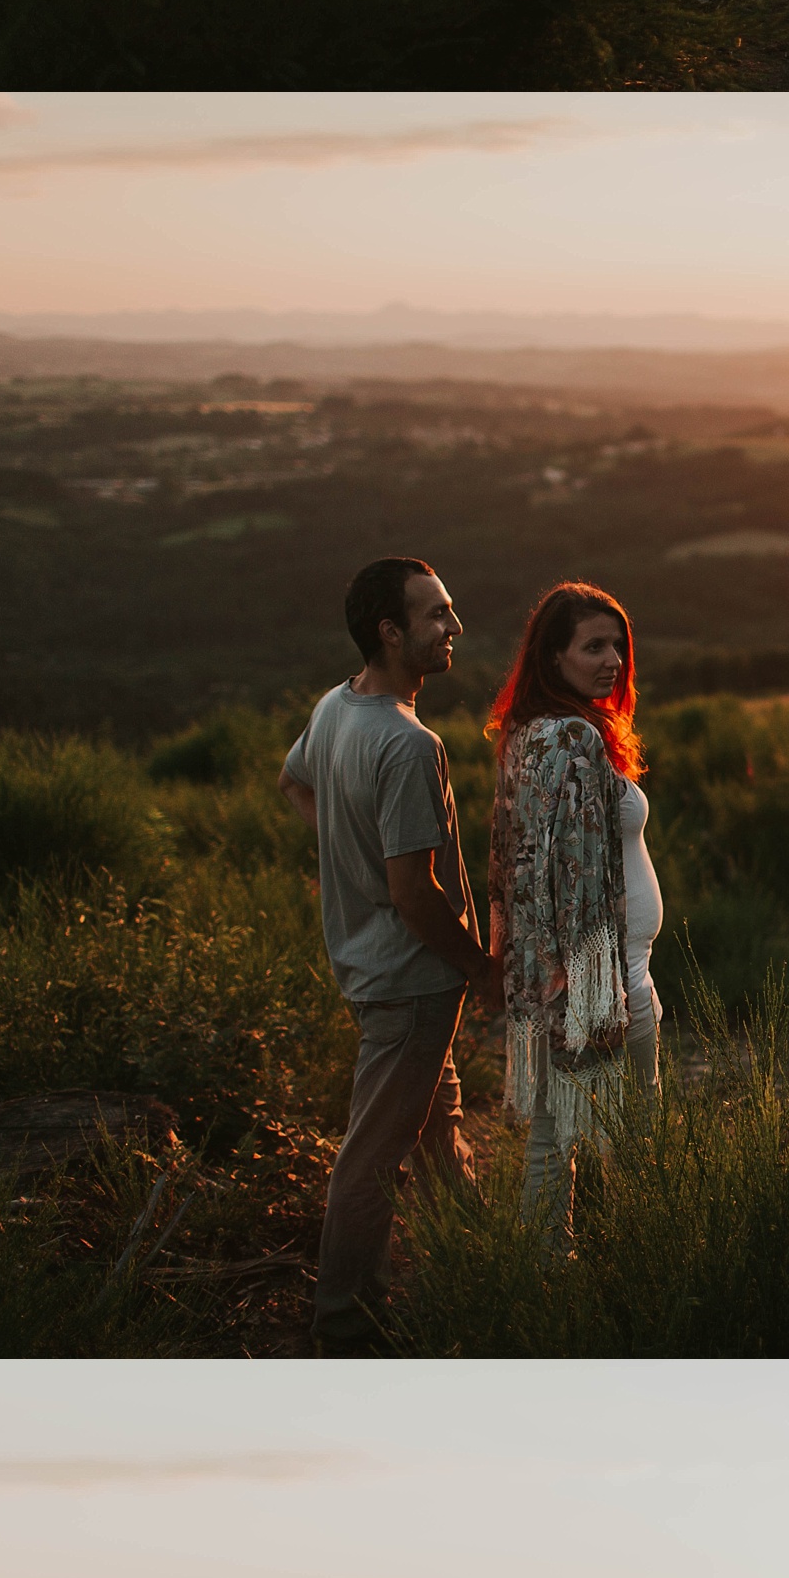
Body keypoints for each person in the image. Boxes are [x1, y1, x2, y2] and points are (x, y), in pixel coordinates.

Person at [280, 547, 490, 1354]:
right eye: (436, 613)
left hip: (373, 971)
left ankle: (472, 1253)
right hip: (410, 982)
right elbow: (412, 892)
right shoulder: (408, 745)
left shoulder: (337, 705)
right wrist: (478, 963)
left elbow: (293, 782)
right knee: (370, 1159)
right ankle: (343, 1326)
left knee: (438, 1124)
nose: (453, 625)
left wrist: (347, 853)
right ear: (390, 631)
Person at [487, 574, 659, 1238]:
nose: (612, 658)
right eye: (593, 646)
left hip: (576, 974)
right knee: (627, 1138)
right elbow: (569, 876)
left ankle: (550, 1279)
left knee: (556, 1139)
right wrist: (590, 993)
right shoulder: (571, 740)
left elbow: (514, 864)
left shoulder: (530, 732)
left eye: (618, 644)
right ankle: (621, 1268)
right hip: (604, 978)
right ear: (553, 656)